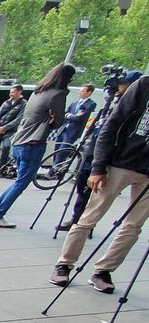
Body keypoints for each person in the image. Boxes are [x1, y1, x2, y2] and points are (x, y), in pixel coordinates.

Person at [50, 74, 149, 294]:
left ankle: (103, 270)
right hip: (120, 162)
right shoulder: (144, 85)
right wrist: (98, 167)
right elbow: (112, 124)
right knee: (90, 217)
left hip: (146, 172)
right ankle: (64, 264)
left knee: (133, 227)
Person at [0, 63, 74, 228]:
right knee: (22, 182)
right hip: (34, 142)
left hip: (20, 140)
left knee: (19, 180)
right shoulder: (58, 94)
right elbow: (58, 121)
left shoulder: (38, 91)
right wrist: (54, 118)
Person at [53, 83, 95, 170]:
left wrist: (69, 116)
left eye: (83, 91)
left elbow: (79, 118)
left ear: (89, 93)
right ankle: (56, 169)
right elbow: (65, 114)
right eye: (80, 91)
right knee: (56, 150)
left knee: (62, 152)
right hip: (64, 129)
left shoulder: (90, 104)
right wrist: (70, 115)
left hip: (73, 132)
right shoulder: (75, 103)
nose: (80, 93)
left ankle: (52, 172)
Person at [0, 84, 25, 174]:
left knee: (6, 147)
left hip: (10, 131)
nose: (10, 94)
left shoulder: (23, 104)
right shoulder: (6, 102)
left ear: (19, 92)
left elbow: (18, 119)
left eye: (13, 92)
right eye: (10, 92)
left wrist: (4, 128)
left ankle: (2, 169)